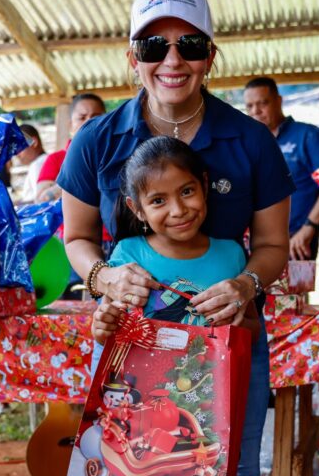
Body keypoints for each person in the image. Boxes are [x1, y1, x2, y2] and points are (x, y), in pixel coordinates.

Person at [57, 0, 293, 476]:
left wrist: (244, 285)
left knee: (228, 466)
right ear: (132, 58)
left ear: (210, 56)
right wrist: (105, 279)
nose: (171, 60)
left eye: (188, 45)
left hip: (227, 347)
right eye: (152, 46)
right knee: (127, 466)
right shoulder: (96, 140)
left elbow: (273, 247)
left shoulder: (251, 140)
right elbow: (75, 239)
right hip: (129, 350)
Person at [92, 136, 259, 342]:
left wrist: (234, 324)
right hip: (141, 374)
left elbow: (254, 329)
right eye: (158, 201)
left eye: (187, 191)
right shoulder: (127, 253)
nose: (178, 210)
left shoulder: (231, 254)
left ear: (204, 186)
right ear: (137, 209)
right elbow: (106, 330)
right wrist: (102, 328)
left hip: (211, 374)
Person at [244, 77, 319, 260]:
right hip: (253, 244)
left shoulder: (307, 136)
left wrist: (310, 226)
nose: (256, 111)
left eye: (263, 103)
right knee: (255, 288)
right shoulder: (247, 143)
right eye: (249, 106)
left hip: (297, 240)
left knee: (295, 289)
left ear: (278, 101)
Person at [36, 93, 106, 203]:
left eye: (96, 117)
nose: (89, 122)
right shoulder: (55, 159)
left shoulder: (115, 153)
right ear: (70, 125)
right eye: (82, 118)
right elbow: (41, 200)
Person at [17, 124, 47, 203]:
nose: (17, 154)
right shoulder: (44, 161)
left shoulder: (38, 165)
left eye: (20, 148)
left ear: (34, 143)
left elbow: (40, 200)